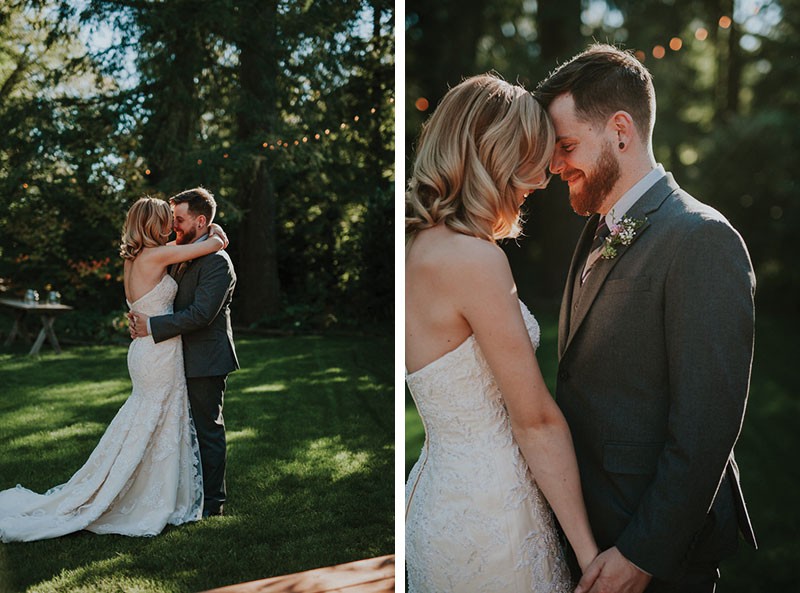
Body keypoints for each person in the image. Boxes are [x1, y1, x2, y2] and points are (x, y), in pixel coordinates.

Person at [534, 43, 757, 593]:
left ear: (620, 130)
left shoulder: (702, 239)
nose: (556, 165)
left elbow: (707, 425)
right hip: (593, 532)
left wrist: (643, 553)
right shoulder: (596, 228)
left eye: (566, 146)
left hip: (658, 554)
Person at [405, 73, 598, 592]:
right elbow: (534, 420)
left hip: (437, 501)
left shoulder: (413, 247)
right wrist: (589, 556)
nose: (540, 180)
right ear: (496, 157)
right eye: (531, 162)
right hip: (493, 516)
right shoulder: (473, 259)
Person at [0, 196, 228, 542]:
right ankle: (148, 494)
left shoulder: (136, 257)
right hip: (156, 352)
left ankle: (139, 487)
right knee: (155, 420)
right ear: (155, 224)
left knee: (146, 420)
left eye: (177, 218)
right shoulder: (158, 255)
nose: (172, 225)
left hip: (146, 350)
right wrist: (215, 231)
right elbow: (216, 243)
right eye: (169, 219)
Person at [129, 187, 238, 518]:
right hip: (170, 357)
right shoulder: (180, 253)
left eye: (179, 219)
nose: (173, 226)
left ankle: (212, 504)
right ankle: (183, 493)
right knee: (178, 430)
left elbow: (201, 315)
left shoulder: (217, 263)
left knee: (207, 430)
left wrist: (153, 326)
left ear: (200, 220)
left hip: (205, 359)